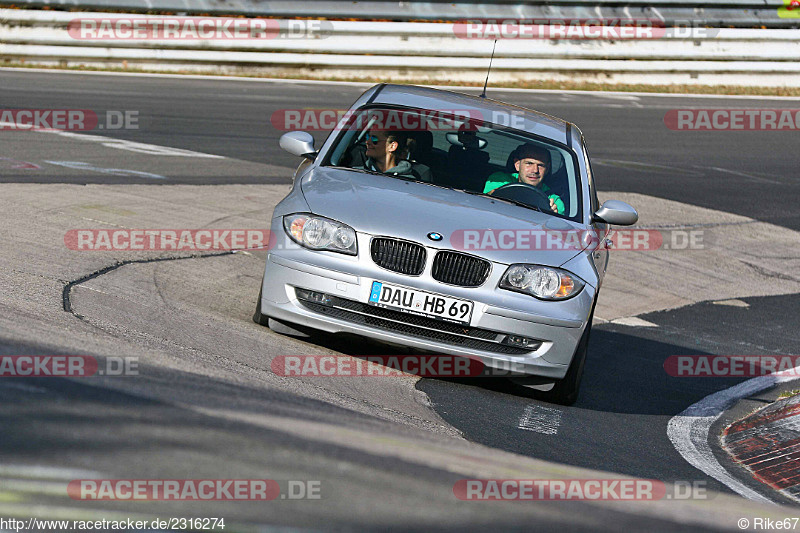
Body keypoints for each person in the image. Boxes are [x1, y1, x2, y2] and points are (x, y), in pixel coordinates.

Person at [483, 143, 565, 214]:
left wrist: (551, 216)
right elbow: (485, 206)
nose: (535, 170)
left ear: (547, 169)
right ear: (517, 165)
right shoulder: (500, 180)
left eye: (541, 165)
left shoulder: (554, 201)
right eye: (529, 163)